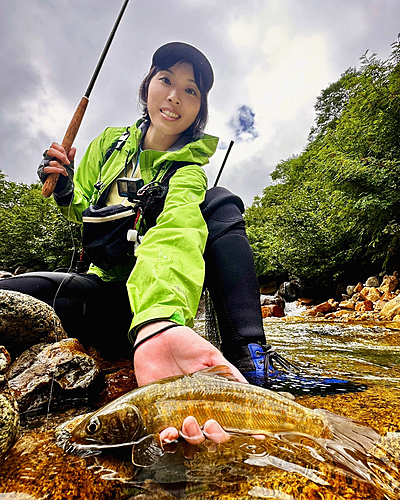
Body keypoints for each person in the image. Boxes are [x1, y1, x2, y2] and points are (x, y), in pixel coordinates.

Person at [0, 42, 288, 445]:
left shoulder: (188, 173)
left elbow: (176, 234)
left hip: (154, 310)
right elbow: (84, 208)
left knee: (220, 201)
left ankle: (251, 361)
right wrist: (66, 191)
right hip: (103, 293)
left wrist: (157, 324)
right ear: (147, 86)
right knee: (11, 297)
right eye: (166, 80)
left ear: (200, 108)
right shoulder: (108, 144)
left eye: (191, 90)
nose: (174, 96)